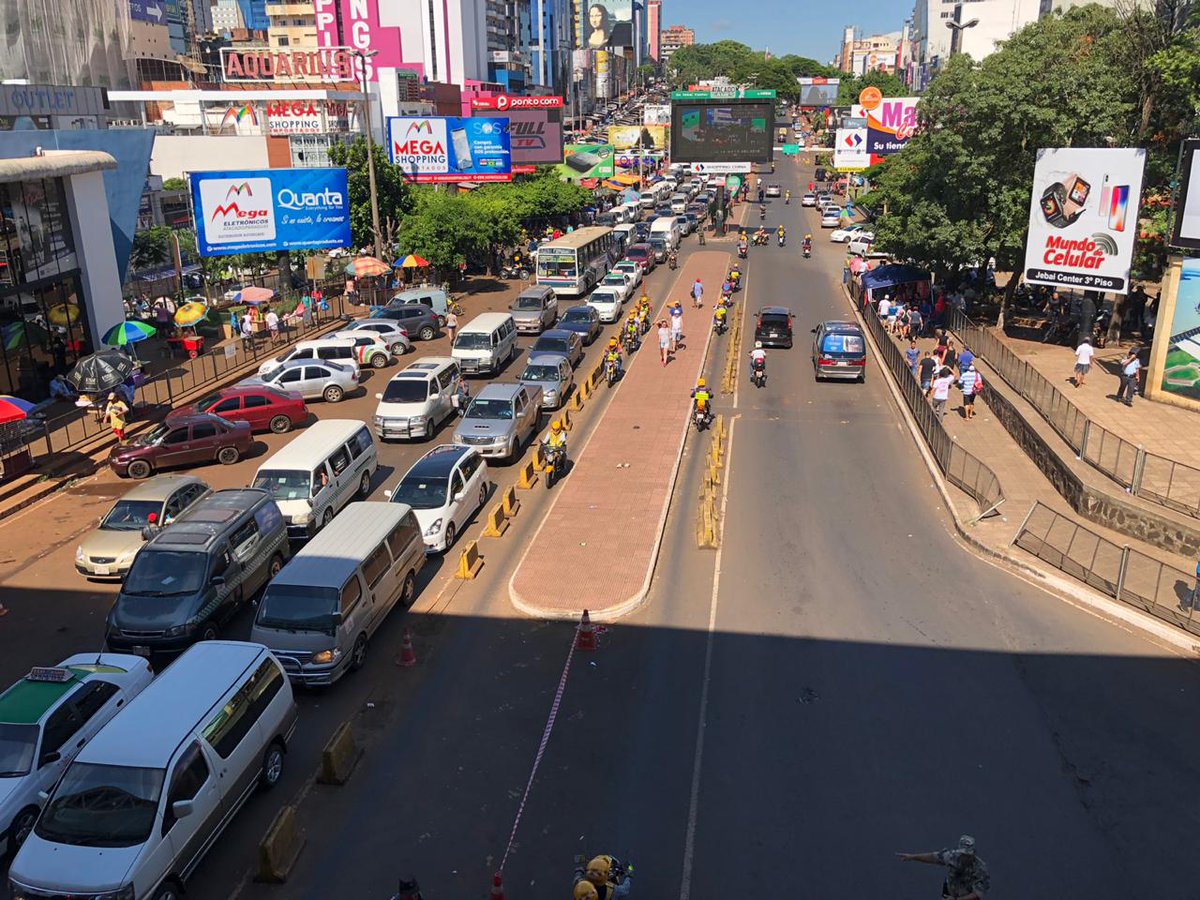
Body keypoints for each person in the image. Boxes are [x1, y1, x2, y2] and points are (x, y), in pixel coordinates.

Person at [896, 834, 990, 900]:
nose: (964, 857)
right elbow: (933, 857)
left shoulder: (980, 869)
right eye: (963, 854)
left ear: (973, 853)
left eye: (967, 855)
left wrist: (956, 899)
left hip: (966, 897)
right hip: (950, 892)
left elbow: (977, 895)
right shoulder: (953, 857)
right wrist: (913, 857)